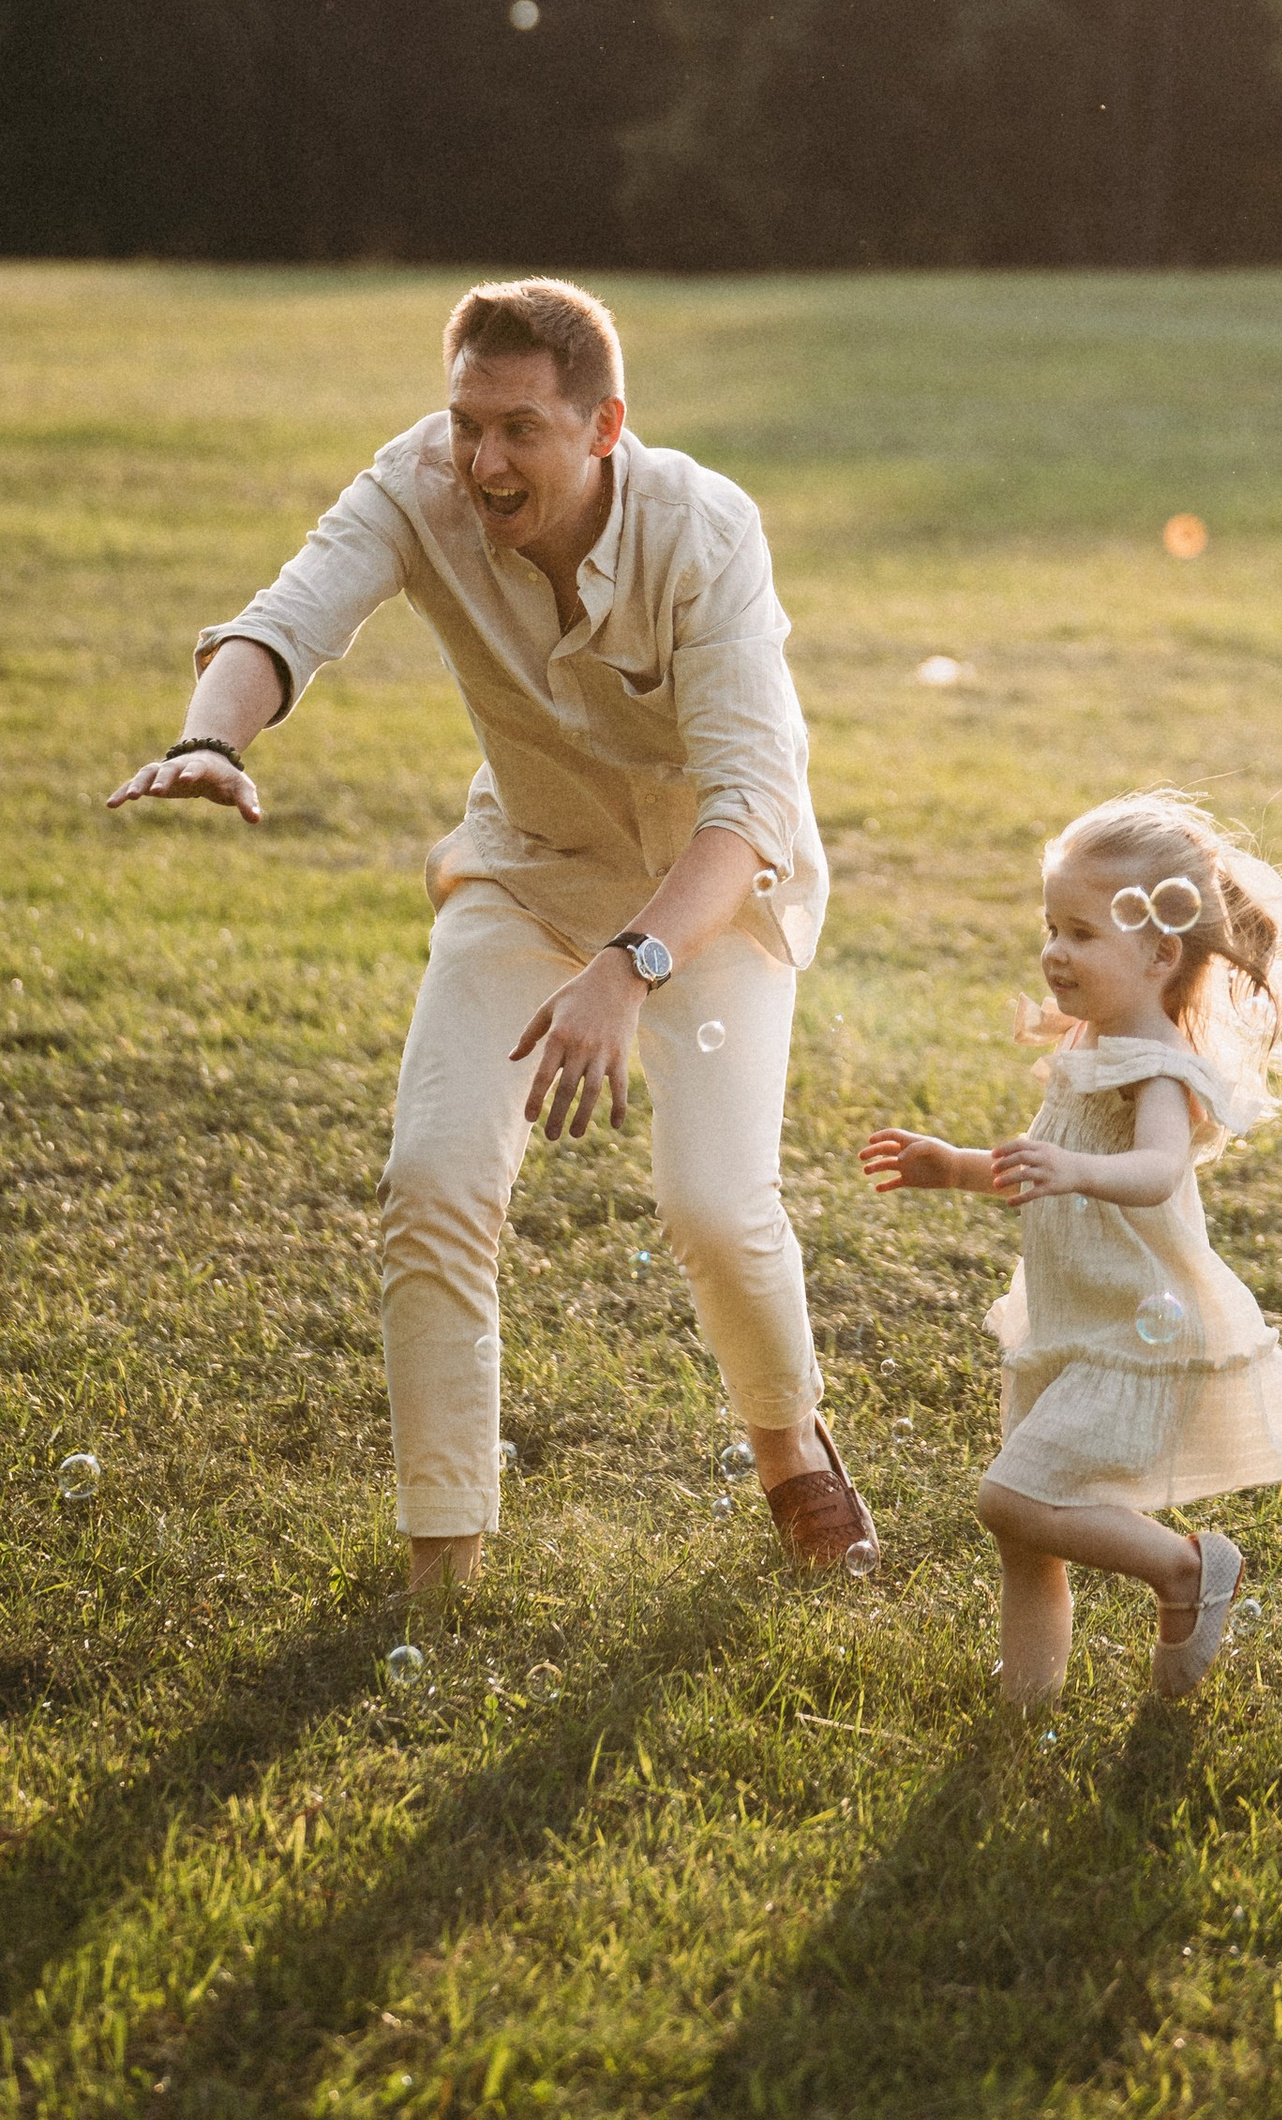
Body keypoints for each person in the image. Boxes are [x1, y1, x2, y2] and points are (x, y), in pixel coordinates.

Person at [107, 277, 878, 1604]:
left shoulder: (704, 529)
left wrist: (627, 970)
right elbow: (288, 618)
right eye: (469, 422)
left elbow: (749, 810)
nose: (483, 461)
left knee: (713, 1203)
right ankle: (444, 1548)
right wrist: (209, 738)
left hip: (706, 895)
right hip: (525, 874)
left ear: (604, 427)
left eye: (521, 429)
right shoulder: (420, 482)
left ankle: (790, 1449)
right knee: (433, 1177)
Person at [860, 793, 1282, 1701]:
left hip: (1132, 1329)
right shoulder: (1093, 1041)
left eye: (1082, 934)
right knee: (1027, 1535)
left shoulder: (1158, 1066)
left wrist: (1078, 1172)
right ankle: (1023, 1704)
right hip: (1071, 1322)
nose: (1055, 952)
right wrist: (955, 1167)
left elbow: (1156, 1171)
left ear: (1161, 953)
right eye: (1051, 927)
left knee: (1012, 1500)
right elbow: (1041, 1162)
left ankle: (1185, 1569)